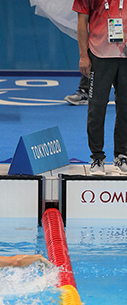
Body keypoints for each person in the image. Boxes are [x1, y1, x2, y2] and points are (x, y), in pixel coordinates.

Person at [73, 0, 127, 175]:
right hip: (99, 54)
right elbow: (82, 21)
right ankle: (97, 157)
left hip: (125, 55)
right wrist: (83, 55)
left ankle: (122, 155)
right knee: (96, 108)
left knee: (126, 107)